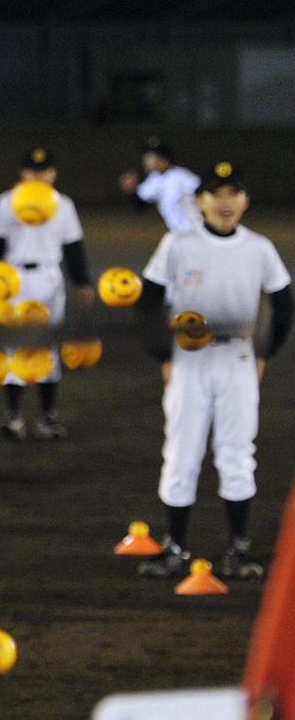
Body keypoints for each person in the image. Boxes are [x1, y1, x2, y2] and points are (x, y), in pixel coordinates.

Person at [136, 161, 293, 580]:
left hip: (238, 360)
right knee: (182, 453)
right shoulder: (178, 244)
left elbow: (283, 303)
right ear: (200, 201)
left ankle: (238, 550)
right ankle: (176, 548)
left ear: (245, 200)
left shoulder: (258, 248)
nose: (225, 203)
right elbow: (149, 299)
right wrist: (163, 356)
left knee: (238, 454)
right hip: (189, 360)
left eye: (233, 194)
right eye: (216, 194)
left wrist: (265, 352)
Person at [0, 147, 93, 440]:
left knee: (48, 347)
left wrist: (82, 281)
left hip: (49, 277)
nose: (39, 176)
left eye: (44, 170)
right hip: (13, 278)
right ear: (23, 173)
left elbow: (73, 247)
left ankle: (47, 418)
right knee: (14, 345)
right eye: (32, 170)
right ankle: (14, 418)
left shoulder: (63, 204)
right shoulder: (8, 201)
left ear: (53, 173)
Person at [119, 136, 201, 233]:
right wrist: (131, 190)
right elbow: (140, 205)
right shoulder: (154, 179)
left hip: (196, 231)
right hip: (179, 233)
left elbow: (203, 191)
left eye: (151, 155)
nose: (146, 159)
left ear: (163, 158)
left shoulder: (181, 176)